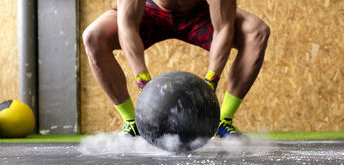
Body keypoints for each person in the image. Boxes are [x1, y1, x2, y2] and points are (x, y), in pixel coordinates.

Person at [83, 0, 270, 137]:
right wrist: (143, 81)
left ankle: (223, 122)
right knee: (93, 36)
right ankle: (133, 123)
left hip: (198, 15)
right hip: (151, 14)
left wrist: (210, 82)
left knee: (257, 32)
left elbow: (224, 27)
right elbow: (127, 25)